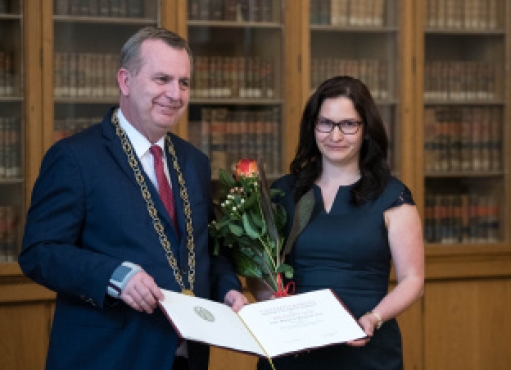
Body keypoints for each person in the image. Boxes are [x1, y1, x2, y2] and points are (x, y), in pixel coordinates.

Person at [18, 26, 247, 370]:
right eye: (162, 79)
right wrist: (113, 275)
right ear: (125, 81)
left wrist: (228, 289)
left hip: (186, 357)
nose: (175, 93)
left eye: (184, 82)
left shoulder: (194, 161)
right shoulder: (75, 157)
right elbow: (39, 252)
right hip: (108, 355)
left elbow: (207, 251)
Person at [250, 76, 425, 370]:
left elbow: (413, 280)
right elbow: (257, 271)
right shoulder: (284, 192)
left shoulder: (393, 196)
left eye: (348, 124)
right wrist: (273, 306)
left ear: (366, 130)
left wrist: (374, 318)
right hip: (293, 350)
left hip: (365, 348)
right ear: (313, 126)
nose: (335, 136)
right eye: (326, 123)